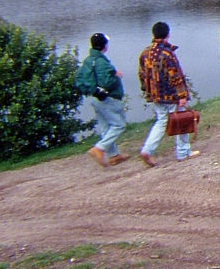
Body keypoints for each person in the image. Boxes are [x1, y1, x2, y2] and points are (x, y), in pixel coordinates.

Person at [138, 21, 199, 166]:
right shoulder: (167, 53)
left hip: (156, 96)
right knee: (181, 120)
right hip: (172, 96)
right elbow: (175, 76)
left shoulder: (145, 53)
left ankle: (147, 150)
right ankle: (183, 152)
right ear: (168, 34)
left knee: (161, 122)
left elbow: (141, 74)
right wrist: (182, 95)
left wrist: (147, 91)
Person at [76, 32, 129, 167]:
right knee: (119, 125)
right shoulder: (101, 62)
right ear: (104, 46)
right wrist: (116, 76)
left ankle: (114, 156)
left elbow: (81, 79)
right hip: (108, 99)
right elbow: (107, 81)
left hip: (95, 98)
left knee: (106, 127)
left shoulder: (88, 60)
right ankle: (99, 148)